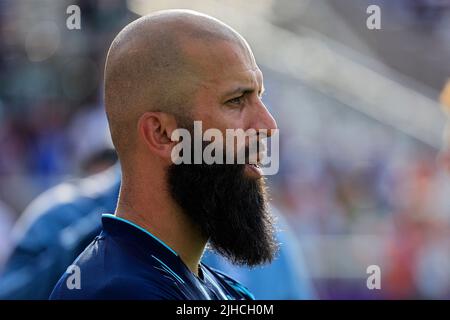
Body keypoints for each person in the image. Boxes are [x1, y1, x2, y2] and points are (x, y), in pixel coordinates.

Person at [50, 9, 279, 300]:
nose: (268, 126)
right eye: (236, 100)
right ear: (161, 133)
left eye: (259, 96)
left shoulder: (224, 291)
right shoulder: (117, 292)